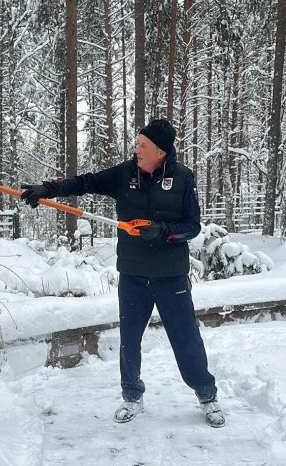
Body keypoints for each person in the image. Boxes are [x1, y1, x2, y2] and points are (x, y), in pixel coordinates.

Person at [20, 119, 224, 428]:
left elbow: (192, 226)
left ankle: (207, 395)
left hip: (171, 277)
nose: (137, 149)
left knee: (186, 339)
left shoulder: (182, 178)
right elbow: (86, 182)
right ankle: (132, 395)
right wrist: (48, 189)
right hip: (133, 274)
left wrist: (164, 232)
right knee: (130, 339)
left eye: (143, 145)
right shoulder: (125, 174)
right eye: (137, 143)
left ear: (160, 151)